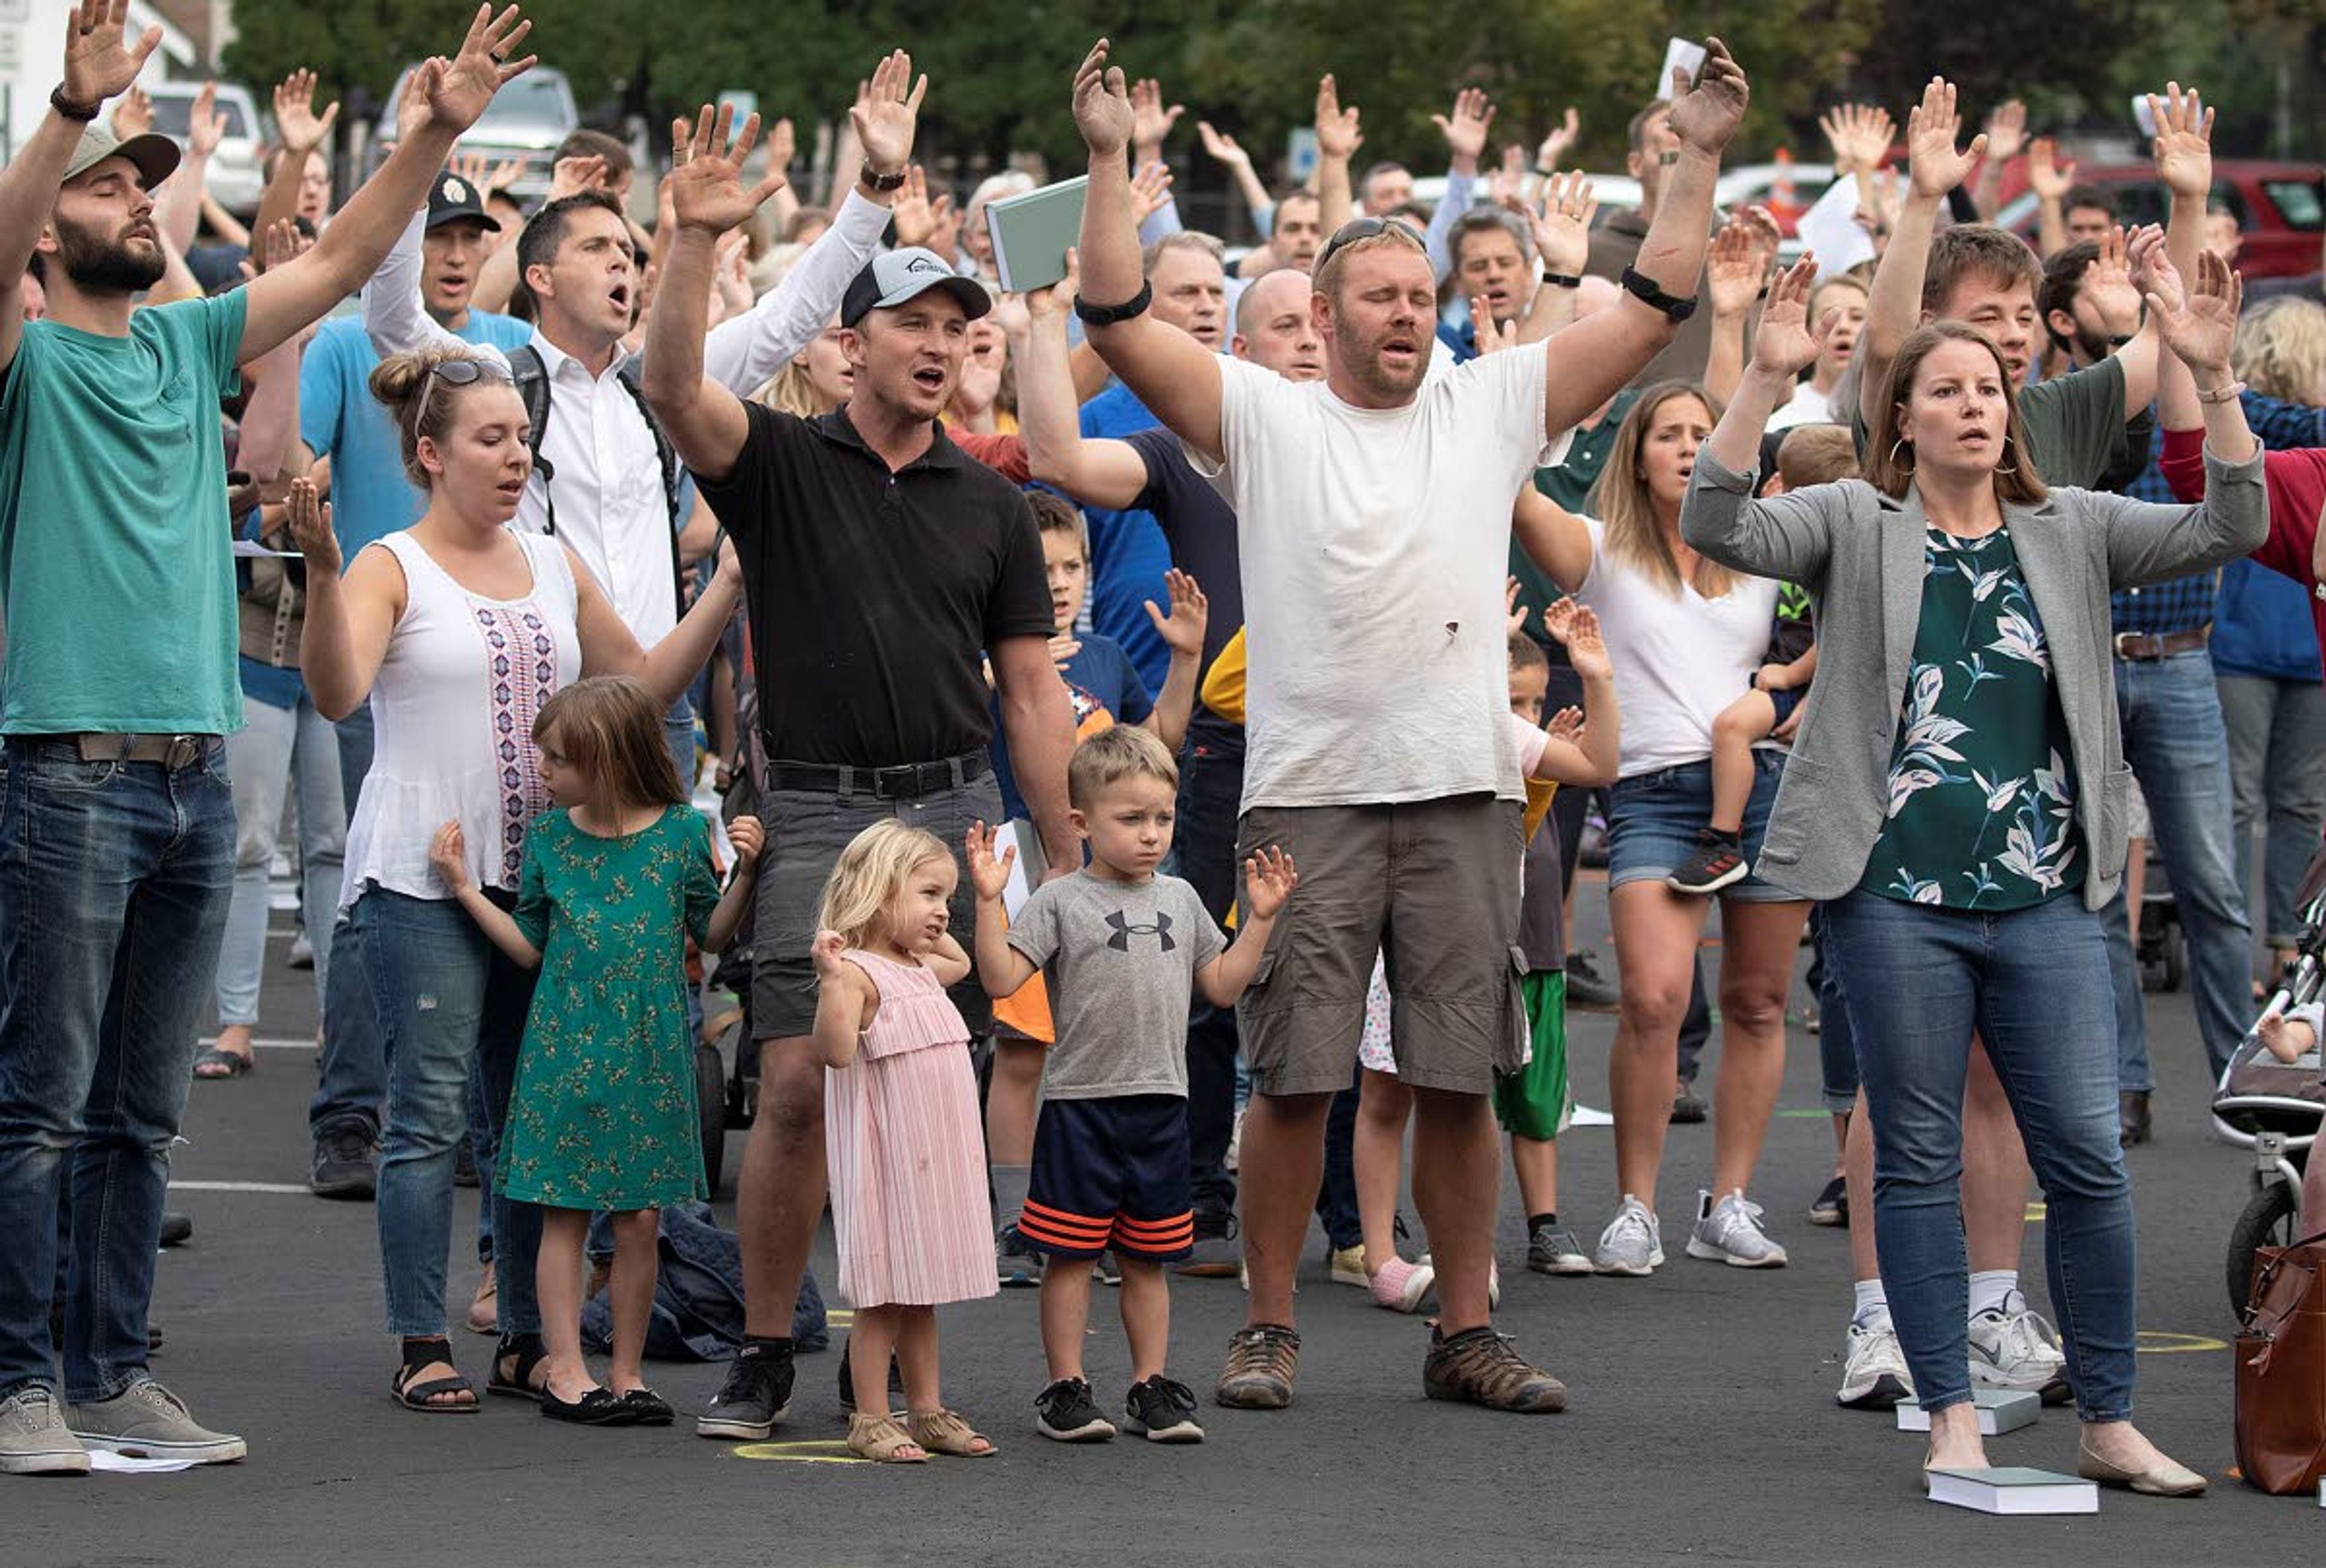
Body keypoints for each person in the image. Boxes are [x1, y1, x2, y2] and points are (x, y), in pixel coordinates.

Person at [1066, 33, 1746, 1412]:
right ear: (1319, 314)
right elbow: (1119, 312)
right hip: (1305, 799)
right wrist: (1103, 166)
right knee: (1296, 1076)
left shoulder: (1489, 400)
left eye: (1412, 292)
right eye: (1371, 293)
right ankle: (1266, 1324)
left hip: (1459, 796)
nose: (1398, 310)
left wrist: (1701, 155)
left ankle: (1465, 1327)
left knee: (1454, 1073)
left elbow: (1654, 303)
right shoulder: (1259, 411)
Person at [0, 0, 540, 1477]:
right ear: (47, 228)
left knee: (140, 1109)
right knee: (40, 1100)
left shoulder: (185, 343)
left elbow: (346, 256)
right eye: (105, 188)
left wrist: (432, 130)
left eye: (138, 184)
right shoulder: (27, 358)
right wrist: (65, 115)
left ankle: (107, 1370)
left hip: (180, 773)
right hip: (65, 766)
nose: (128, 200)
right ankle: (13, 1386)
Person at [1683, 246, 2261, 1492]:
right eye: (1945, 389)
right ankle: (1948, 1407)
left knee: (2091, 1159)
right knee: (1919, 1159)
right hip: (1896, 899)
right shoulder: (1854, 521)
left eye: (1991, 386)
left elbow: (2237, 522)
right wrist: (1762, 382)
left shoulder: (2075, 527)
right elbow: (1714, 518)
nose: (1976, 402)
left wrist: (2212, 383)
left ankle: (2108, 1415)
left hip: (2047, 894)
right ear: (1902, 420)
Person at [643, 103, 1076, 1442]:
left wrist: (1060, 849)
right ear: (850, 345)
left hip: (950, 807)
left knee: (925, 1087)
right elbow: (669, 389)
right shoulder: (779, 463)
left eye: (959, 327)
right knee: (794, 1086)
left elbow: (1029, 688)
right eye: (914, 323)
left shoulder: (993, 503)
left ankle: (887, 1367)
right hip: (817, 804)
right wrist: (696, 244)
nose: (943, 346)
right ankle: (770, 1348)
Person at [287, 341, 744, 1414]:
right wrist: (317, 568)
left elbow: (635, 683)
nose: (515, 456)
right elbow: (340, 692)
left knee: (526, 1122)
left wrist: (725, 590)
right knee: (429, 1115)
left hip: (544, 882)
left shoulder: (550, 556)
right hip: (423, 876)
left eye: (523, 439)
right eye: (491, 439)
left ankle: (530, 1339)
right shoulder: (388, 562)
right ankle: (422, 1335)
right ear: (431, 453)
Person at [1013, 263, 1328, 1279]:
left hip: (1346, 742)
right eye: (1287, 323)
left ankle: (1361, 1217)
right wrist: (1048, 316)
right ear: (1240, 351)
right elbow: (1053, 455)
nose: (1311, 339)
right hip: (1227, 747)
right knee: (1198, 974)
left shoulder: (1374, 442)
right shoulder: (1187, 448)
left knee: (1337, 972)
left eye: (1320, 320)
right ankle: (1194, 1190)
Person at [426, 675, 761, 1424]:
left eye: (556, 759)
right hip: (565, 1049)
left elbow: (710, 935)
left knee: (640, 1218)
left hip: (648, 1052)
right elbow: (529, 946)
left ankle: (628, 1371)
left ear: (604, 761)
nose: (541, 771)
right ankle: (567, 1368)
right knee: (564, 1215)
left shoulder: (680, 832)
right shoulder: (551, 841)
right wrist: (467, 889)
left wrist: (748, 873)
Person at [296, 165, 537, 1199]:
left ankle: (478, 1127)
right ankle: (350, 1110)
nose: (453, 250)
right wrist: (314, 548)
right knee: (379, 892)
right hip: (381, 624)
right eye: (436, 232)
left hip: (494, 651)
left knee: (490, 900)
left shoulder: (505, 354)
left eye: (470, 234)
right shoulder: (355, 341)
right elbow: (301, 465)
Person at [967, 727, 1294, 1444]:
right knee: (1071, 1255)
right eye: (1131, 819)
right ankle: (1066, 1388)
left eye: (1163, 818)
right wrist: (990, 902)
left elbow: (1220, 986)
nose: (1152, 835)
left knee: (1149, 1259)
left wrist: (1260, 924)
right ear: (1081, 824)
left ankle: (1150, 1385)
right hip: (1081, 1106)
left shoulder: (1180, 898)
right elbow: (998, 980)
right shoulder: (1058, 902)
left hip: (1161, 1107)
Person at [807, 822, 1001, 1464]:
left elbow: (962, 962)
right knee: (884, 1297)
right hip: (887, 1163)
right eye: (926, 894)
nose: (942, 910)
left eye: (945, 897)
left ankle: (926, 1409)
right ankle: (870, 1415)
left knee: (921, 1292)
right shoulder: (858, 974)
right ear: (877, 890)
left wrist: (923, 922)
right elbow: (835, 1053)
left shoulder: (920, 967)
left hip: (929, 1161)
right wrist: (832, 979)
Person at [1663, 424, 1854, 895]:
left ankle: (1723, 841)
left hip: (1793, 679)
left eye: (1784, 484)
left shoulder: (1834, 554)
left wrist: (1793, 674)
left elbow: (1838, 633)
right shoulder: (1803, 537)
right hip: (1782, 673)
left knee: (1731, 728)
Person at [1764, 274, 1867, 431]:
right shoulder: (1782, 417)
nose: (1844, 327)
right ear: (1808, 329)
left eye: (1857, 317)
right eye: (1829, 317)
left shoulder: (1888, 412)